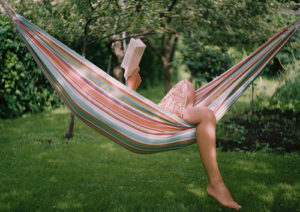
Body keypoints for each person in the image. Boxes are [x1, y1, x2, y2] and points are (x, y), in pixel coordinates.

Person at [127, 68, 242, 210]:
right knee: (206, 114)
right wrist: (130, 90)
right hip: (157, 124)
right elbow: (128, 119)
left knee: (186, 84)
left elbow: (127, 115)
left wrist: (130, 89)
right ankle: (216, 184)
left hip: (159, 116)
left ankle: (188, 112)